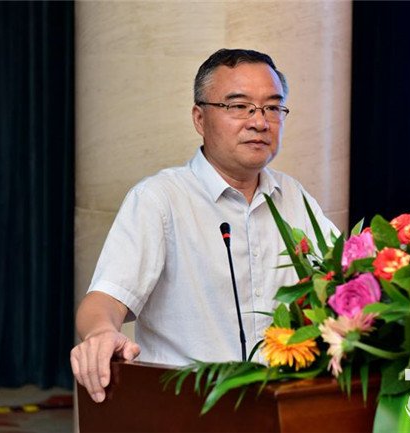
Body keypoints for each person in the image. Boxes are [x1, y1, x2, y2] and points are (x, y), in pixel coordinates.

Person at [70, 49, 336, 403]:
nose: (260, 122)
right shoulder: (160, 199)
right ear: (200, 118)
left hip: (282, 405)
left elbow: (345, 282)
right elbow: (104, 300)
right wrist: (101, 333)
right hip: (188, 407)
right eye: (239, 106)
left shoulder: (293, 197)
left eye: (272, 108)